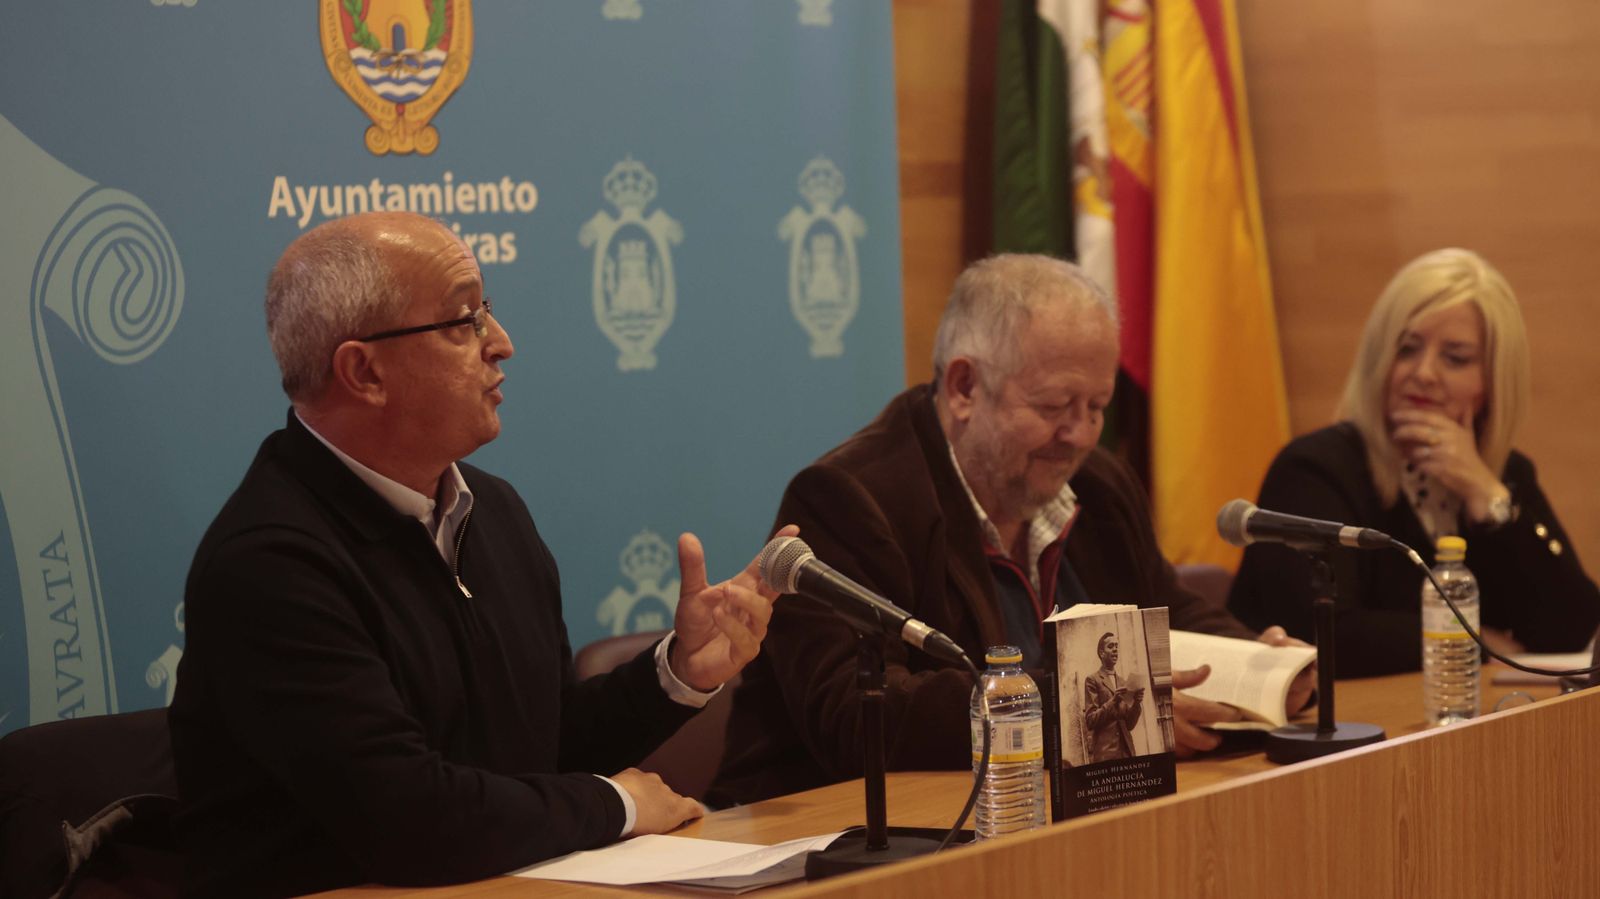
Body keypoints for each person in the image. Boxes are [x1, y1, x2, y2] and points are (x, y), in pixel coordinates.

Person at [167, 211, 791, 897]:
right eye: (463, 320)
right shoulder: (270, 564)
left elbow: (539, 748)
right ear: (363, 371)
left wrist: (677, 672)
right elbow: (411, 820)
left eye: (485, 313)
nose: (502, 344)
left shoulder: (491, 511)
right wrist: (618, 805)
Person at [710, 254, 1311, 807]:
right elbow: (855, 714)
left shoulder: (1099, 485)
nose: (1079, 435)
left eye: (1096, 407)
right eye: (1054, 406)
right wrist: (1067, 712)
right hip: (837, 836)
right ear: (965, 387)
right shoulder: (848, 499)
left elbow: (1166, 608)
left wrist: (1261, 665)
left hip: (1045, 810)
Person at [1228, 248, 1600, 677]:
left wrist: (1487, 496)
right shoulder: (1315, 469)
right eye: (1406, 349)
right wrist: (1473, 639)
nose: (1423, 373)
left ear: (1494, 380)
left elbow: (1574, 632)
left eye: (1455, 357)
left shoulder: (1506, 475)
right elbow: (1322, 634)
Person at [1084, 632, 1144, 761]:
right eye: (1111, 646)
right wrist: (1113, 701)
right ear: (1102, 653)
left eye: (1117, 646)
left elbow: (1130, 725)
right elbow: (1090, 720)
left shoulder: (1124, 682)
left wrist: (1137, 703)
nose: (1115, 649)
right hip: (1106, 753)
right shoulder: (1093, 680)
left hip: (1127, 751)